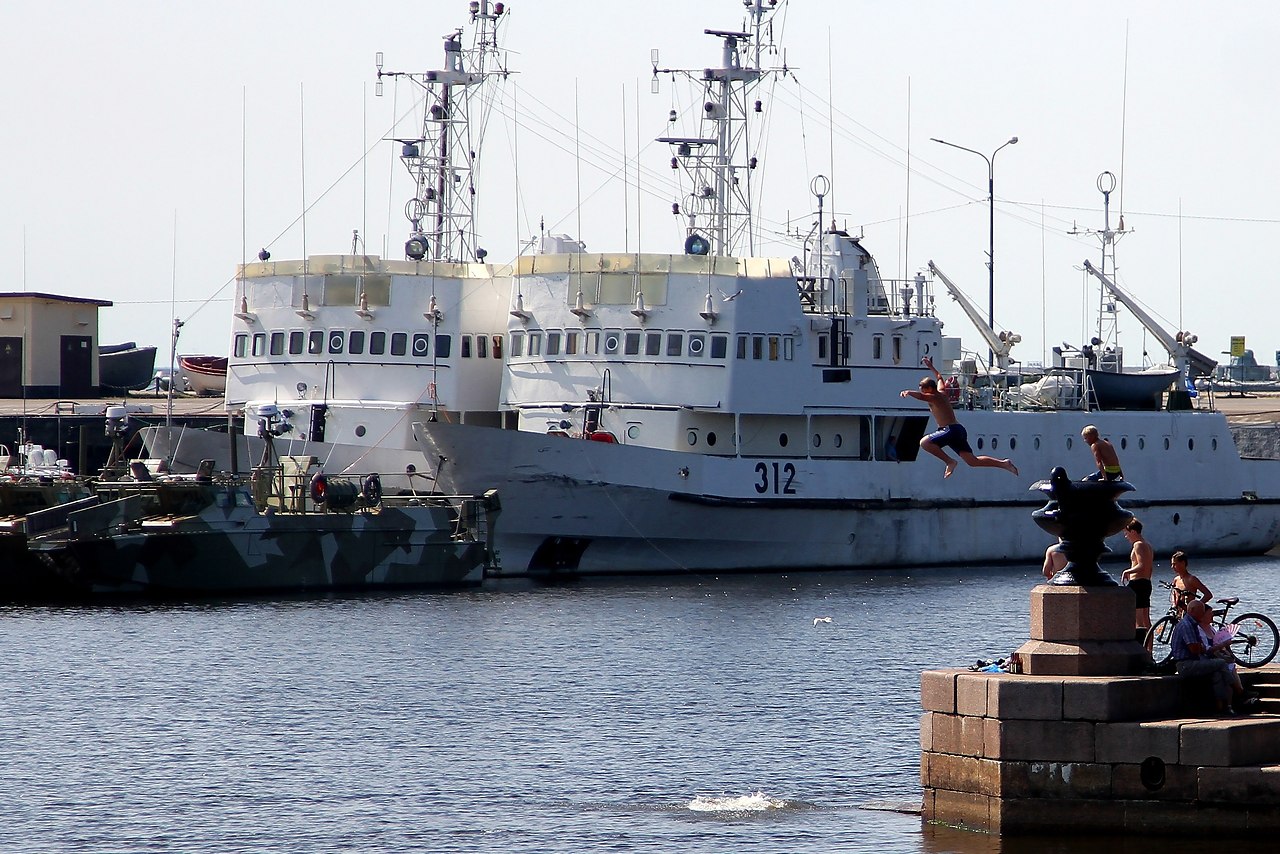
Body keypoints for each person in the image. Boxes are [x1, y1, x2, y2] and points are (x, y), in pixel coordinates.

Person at [900, 356, 1018, 479]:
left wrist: (908, 392)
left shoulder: (934, 397)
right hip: (957, 430)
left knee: (924, 443)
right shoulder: (941, 391)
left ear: (929, 389)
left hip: (950, 430)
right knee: (973, 461)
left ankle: (949, 461)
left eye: (924, 390)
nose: (924, 393)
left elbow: (921, 397)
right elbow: (939, 377)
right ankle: (1004, 463)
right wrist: (930, 366)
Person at [1171, 601, 1244, 715]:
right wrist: (1200, 647)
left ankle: (1221, 707)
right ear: (1192, 611)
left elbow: (1201, 647)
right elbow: (1194, 649)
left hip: (1194, 661)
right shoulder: (1187, 625)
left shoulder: (1193, 625)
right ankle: (1238, 690)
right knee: (1220, 663)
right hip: (1186, 665)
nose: (1202, 614)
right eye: (1201, 611)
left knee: (1217, 674)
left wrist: (1201, 647)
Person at [1119, 519, 1154, 639]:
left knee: (1137, 619)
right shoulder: (1147, 545)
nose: (1126, 536)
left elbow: (1142, 565)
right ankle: (1149, 650)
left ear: (1133, 531)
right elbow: (1149, 568)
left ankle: (1140, 648)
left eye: (1126, 533)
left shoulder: (1138, 544)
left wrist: (1127, 571)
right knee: (1146, 619)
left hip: (1138, 584)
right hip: (1146, 583)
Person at [1170, 550, 1212, 615]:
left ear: (1183, 563)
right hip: (1178, 613)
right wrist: (1173, 604)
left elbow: (1208, 595)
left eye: (1175, 564)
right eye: (1172, 564)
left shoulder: (1191, 579)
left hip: (1189, 613)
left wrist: (1196, 606)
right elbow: (1174, 593)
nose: (1172, 567)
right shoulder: (1176, 579)